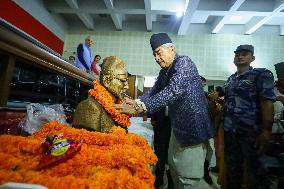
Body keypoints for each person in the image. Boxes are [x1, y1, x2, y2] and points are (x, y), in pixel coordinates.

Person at [113, 33, 214, 188]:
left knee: (189, 178)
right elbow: (154, 93)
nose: (157, 58)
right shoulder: (164, 72)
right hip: (177, 129)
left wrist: (139, 108)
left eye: (159, 52)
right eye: (154, 55)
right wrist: (136, 101)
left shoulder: (184, 63)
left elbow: (172, 91)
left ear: (171, 48)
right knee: (174, 169)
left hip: (193, 130)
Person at [223, 45, 275, 189]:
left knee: (256, 170)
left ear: (252, 58)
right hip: (231, 132)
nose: (240, 56)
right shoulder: (231, 79)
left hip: (251, 132)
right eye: (237, 54)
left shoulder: (261, 75)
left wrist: (266, 130)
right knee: (233, 169)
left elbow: (267, 102)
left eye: (244, 54)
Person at [73, 56, 129, 132]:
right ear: (106, 80)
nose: (127, 86)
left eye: (126, 81)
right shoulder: (89, 107)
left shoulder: (118, 107)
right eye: (122, 81)